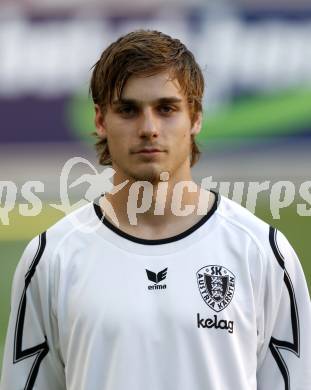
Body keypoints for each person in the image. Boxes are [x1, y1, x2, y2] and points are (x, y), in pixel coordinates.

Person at [1, 30, 310, 390]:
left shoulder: (262, 253)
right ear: (100, 120)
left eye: (166, 109)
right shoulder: (52, 258)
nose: (148, 129)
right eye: (128, 110)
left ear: (195, 118)